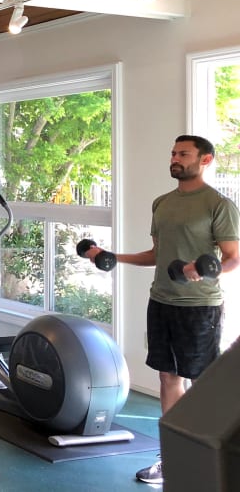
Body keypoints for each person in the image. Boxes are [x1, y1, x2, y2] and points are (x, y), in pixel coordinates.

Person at [84, 134, 239, 485]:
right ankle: (170, 457)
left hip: (199, 307)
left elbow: (232, 258)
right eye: (173, 153)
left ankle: (208, 461)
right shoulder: (162, 203)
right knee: (168, 377)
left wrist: (201, 270)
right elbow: (156, 255)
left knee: (201, 383)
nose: (175, 159)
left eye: (184, 154)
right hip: (162, 300)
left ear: (205, 160)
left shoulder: (218, 204)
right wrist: (112, 256)